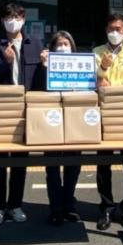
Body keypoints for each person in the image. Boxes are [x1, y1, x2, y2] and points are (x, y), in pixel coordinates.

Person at [0, 3, 44, 224]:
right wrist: (6, 62)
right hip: (2, 109)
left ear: (24, 19)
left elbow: (40, 81)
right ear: (2, 21)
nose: (13, 21)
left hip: (26, 109)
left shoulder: (35, 44)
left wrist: (45, 66)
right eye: (9, 17)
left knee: (20, 160)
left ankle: (16, 205)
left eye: (17, 17)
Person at [92, 13, 123, 231]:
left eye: (118, 29)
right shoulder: (96, 52)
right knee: (103, 162)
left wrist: (109, 86)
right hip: (102, 113)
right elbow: (93, 80)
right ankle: (106, 206)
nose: (114, 32)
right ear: (106, 30)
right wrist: (102, 69)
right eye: (111, 28)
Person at [37, 31, 82, 226]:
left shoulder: (80, 66)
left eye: (66, 44)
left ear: (72, 47)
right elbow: (37, 89)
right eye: (59, 44)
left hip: (75, 122)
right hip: (51, 121)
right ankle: (55, 208)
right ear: (52, 48)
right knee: (52, 167)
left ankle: (69, 204)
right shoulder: (44, 65)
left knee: (74, 165)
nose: (63, 48)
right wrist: (44, 67)